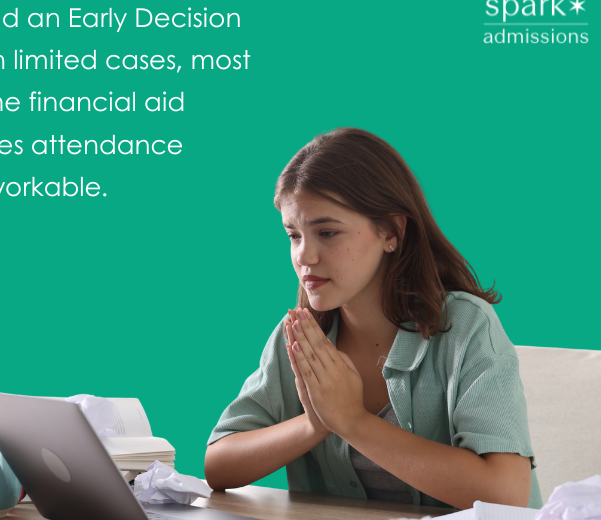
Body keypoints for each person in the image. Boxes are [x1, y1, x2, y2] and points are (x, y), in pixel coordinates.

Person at [204, 127, 542, 510]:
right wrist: (318, 423)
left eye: (327, 232)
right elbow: (218, 464)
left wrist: (352, 420)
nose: (305, 256)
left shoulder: (468, 327)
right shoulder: (305, 336)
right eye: (294, 235)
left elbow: (506, 495)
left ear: (391, 232)